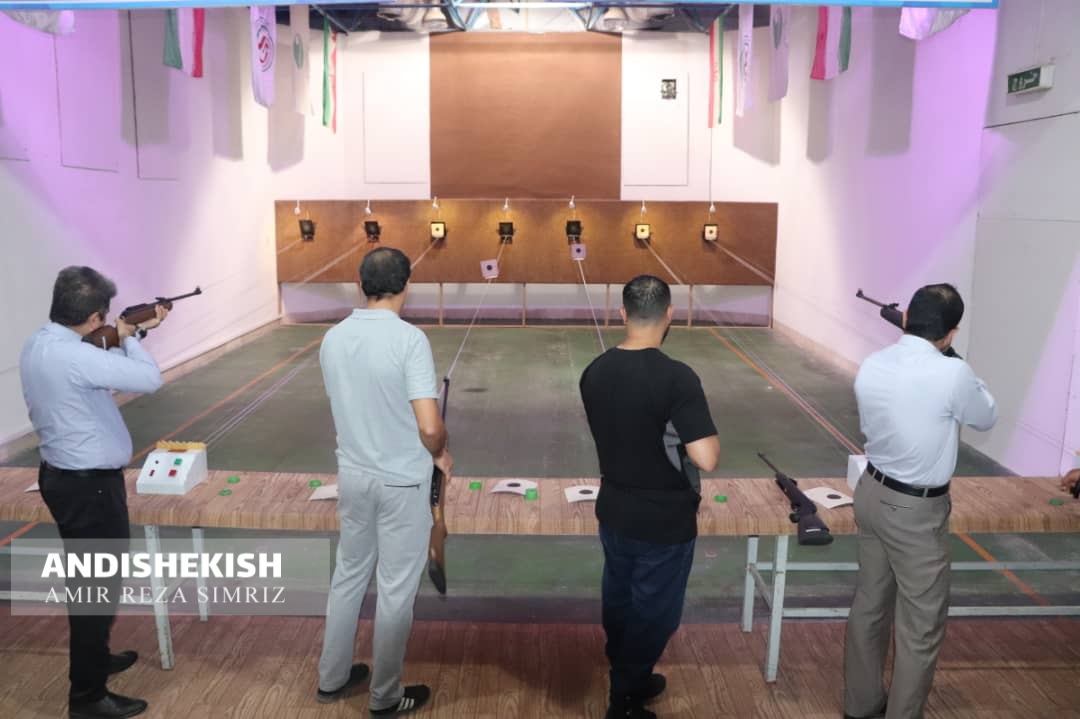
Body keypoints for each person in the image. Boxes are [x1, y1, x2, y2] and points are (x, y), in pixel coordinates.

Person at [844, 283, 998, 719]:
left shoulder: (872, 364)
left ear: (907, 319)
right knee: (920, 626)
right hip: (915, 512)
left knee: (870, 606)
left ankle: (860, 706)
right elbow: (986, 415)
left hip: (871, 493)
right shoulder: (952, 373)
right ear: (951, 333)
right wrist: (956, 360)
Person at [21, 266, 168, 719]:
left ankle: (97, 658)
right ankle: (87, 696)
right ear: (93, 317)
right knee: (95, 590)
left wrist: (118, 333)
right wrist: (132, 336)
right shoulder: (76, 356)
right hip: (90, 489)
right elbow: (150, 379)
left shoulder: (39, 343)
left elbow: (94, 372)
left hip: (65, 478)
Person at [317, 247, 452, 716]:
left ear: (361, 285)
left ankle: (332, 677)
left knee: (348, 576)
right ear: (406, 285)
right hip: (401, 484)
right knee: (395, 590)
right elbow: (429, 426)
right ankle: (385, 696)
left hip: (353, 477)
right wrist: (441, 450)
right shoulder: (409, 340)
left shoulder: (333, 338)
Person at [579, 275, 720, 719]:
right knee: (656, 613)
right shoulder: (678, 378)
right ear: (670, 314)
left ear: (622, 313)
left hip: (614, 510)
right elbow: (706, 457)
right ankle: (624, 697)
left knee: (620, 598)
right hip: (664, 521)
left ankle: (630, 675)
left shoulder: (594, 372)